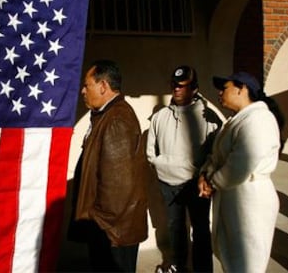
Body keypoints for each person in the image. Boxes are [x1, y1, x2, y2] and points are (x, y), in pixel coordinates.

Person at [198, 72, 284, 273]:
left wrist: (212, 182)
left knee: (247, 264)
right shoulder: (236, 120)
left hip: (250, 202)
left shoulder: (259, 119)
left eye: (224, 87)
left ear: (241, 88)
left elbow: (241, 163)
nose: (220, 92)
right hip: (232, 197)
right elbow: (216, 157)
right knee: (232, 261)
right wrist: (205, 174)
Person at [68, 59, 148, 272]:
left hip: (113, 233)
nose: (83, 91)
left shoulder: (116, 120)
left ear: (103, 86)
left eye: (87, 85)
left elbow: (118, 188)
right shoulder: (106, 115)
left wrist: (98, 223)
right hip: (110, 230)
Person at [146, 65, 223, 272]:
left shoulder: (209, 117)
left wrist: (198, 172)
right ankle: (178, 267)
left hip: (196, 183)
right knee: (175, 229)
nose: (176, 89)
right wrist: (163, 165)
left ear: (194, 89)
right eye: (174, 85)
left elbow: (217, 154)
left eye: (182, 86)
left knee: (200, 231)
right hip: (167, 184)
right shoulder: (160, 117)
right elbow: (150, 154)